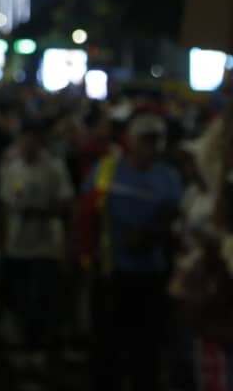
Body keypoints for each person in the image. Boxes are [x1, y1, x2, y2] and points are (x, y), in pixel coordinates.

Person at [81, 112, 184, 391]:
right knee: (107, 345)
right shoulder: (107, 169)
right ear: (131, 140)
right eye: (145, 140)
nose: (151, 147)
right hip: (111, 272)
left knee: (145, 347)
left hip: (150, 274)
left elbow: (176, 219)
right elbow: (87, 212)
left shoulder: (168, 177)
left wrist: (152, 234)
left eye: (156, 140)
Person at [0, 120, 74, 365]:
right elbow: (4, 205)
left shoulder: (54, 168)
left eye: (33, 139)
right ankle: (22, 348)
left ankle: (41, 349)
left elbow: (66, 203)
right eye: (25, 139)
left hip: (46, 246)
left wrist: (42, 213)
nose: (28, 144)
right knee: (19, 297)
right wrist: (1, 242)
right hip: (17, 245)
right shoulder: (12, 167)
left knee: (42, 299)